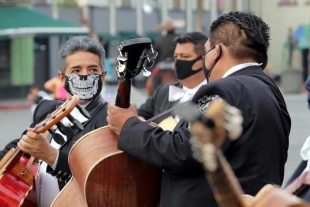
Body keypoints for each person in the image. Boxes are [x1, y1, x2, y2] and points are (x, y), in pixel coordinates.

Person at [107, 12, 291, 207]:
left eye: (205, 52)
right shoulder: (271, 90)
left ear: (217, 51)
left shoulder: (224, 89)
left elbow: (184, 150)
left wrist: (129, 125)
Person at [0, 36, 108, 206]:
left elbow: (101, 180)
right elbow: (20, 145)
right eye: (76, 70)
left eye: (93, 70)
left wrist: (51, 155)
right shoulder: (47, 108)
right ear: (62, 78)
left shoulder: (110, 121)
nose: (85, 75)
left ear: (103, 76)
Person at [139, 32, 208, 124]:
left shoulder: (215, 94)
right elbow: (138, 115)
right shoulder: (163, 91)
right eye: (176, 56)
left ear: (204, 60)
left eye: (185, 56)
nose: (178, 61)